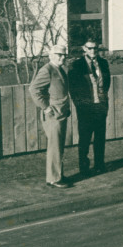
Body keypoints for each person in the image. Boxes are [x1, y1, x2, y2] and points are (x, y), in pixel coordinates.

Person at [28, 44, 72, 188]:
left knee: (58, 146)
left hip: (61, 113)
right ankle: (54, 179)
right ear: (51, 55)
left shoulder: (60, 70)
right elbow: (34, 90)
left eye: (64, 55)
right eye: (59, 54)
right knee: (54, 147)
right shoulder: (47, 70)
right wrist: (46, 108)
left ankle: (57, 174)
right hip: (53, 115)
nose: (62, 57)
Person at [67, 39, 111, 176]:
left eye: (95, 49)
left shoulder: (103, 63)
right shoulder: (77, 65)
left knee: (100, 137)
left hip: (100, 106)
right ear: (84, 48)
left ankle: (99, 164)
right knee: (85, 138)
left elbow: (107, 82)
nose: (93, 51)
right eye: (90, 48)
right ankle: (84, 168)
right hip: (85, 108)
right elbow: (73, 89)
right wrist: (81, 105)